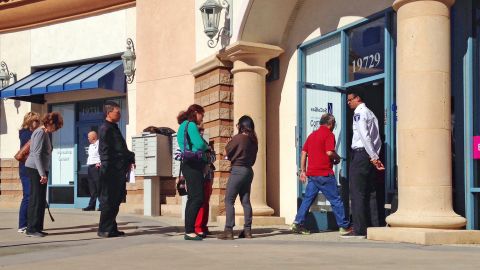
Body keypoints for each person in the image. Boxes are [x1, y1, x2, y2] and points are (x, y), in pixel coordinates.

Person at [291, 113, 351, 235]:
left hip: (312, 174)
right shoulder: (329, 134)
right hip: (324, 174)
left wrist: (303, 171)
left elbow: (303, 153)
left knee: (307, 199)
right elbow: (329, 152)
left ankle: (297, 223)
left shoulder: (312, 135)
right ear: (330, 124)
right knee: (335, 200)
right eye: (333, 124)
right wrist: (337, 158)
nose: (334, 126)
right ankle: (344, 227)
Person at [342, 91, 384, 239]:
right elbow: (377, 138)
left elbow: (364, 135)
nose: (348, 103)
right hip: (369, 155)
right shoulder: (371, 113)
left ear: (358, 98)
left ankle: (360, 229)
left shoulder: (359, 113)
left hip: (361, 154)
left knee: (357, 192)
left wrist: (373, 156)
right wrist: (375, 155)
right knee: (370, 192)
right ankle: (375, 227)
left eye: (350, 100)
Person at [97, 101, 135, 238]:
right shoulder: (106, 128)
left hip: (116, 168)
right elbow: (114, 150)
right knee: (109, 199)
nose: (119, 114)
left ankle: (111, 227)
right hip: (110, 169)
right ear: (109, 113)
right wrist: (130, 157)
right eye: (117, 112)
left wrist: (130, 158)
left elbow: (121, 148)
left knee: (115, 199)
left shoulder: (113, 127)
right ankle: (104, 229)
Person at [218, 115, 258, 240]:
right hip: (248, 171)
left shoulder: (238, 138)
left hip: (237, 171)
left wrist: (228, 144)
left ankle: (228, 230)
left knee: (229, 200)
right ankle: (247, 231)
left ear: (241, 126)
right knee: (245, 201)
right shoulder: (254, 140)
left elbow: (225, 154)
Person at [24, 112, 64, 237]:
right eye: (56, 126)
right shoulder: (40, 132)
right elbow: (36, 154)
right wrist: (42, 174)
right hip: (35, 169)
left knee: (40, 199)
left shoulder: (44, 133)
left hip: (40, 169)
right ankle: (31, 229)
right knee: (36, 199)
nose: (56, 130)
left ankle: (37, 227)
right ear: (50, 123)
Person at [177, 104, 208, 241]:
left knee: (193, 198)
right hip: (193, 163)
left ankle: (190, 229)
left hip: (187, 163)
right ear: (196, 112)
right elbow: (199, 144)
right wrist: (206, 146)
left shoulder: (183, 125)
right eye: (202, 114)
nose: (203, 118)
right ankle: (189, 231)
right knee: (197, 198)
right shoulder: (191, 125)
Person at [17, 112, 40, 233]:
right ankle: (22, 224)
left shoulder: (33, 133)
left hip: (32, 167)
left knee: (31, 196)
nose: (37, 123)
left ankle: (29, 223)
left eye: (37, 120)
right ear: (29, 121)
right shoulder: (26, 134)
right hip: (26, 168)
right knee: (28, 195)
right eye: (34, 120)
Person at [194, 125, 215, 238]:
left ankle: (203, 226)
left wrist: (207, 158)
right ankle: (197, 227)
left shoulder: (206, 143)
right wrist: (206, 158)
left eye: (202, 130)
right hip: (198, 175)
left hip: (208, 176)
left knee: (206, 202)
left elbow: (213, 157)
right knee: (199, 201)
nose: (201, 132)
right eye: (199, 131)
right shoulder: (194, 144)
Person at [83, 131, 101, 211]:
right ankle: (92, 205)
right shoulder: (90, 146)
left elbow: (103, 154)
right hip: (90, 167)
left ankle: (102, 205)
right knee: (92, 188)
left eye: (88, 137)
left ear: (93, 137)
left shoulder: (100, 144)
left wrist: (100, 163)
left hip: (96, 167)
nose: (88, 138)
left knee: (99, 187)